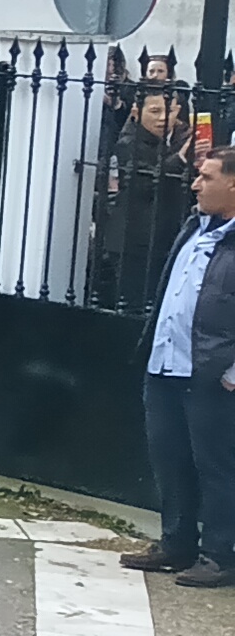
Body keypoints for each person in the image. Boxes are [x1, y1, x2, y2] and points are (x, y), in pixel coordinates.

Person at [124, 148, 235, 587]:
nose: (196, 184)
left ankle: (219, 554)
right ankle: (177, 542)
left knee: (215, 466)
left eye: (206, 177)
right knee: (169, 459)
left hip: (210, 374)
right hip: (166, 365)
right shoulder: (194, 226)